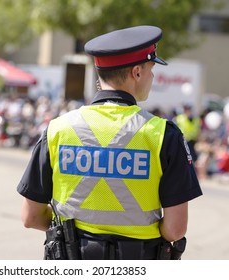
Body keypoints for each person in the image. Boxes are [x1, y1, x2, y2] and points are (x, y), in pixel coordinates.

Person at [17, 25, 202, 260]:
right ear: (137, 72)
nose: (152, 77)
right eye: (151, 69)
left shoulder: (57, 129)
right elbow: (175, 229)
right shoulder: (164, 135)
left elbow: (30, 217)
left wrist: (69, 235)